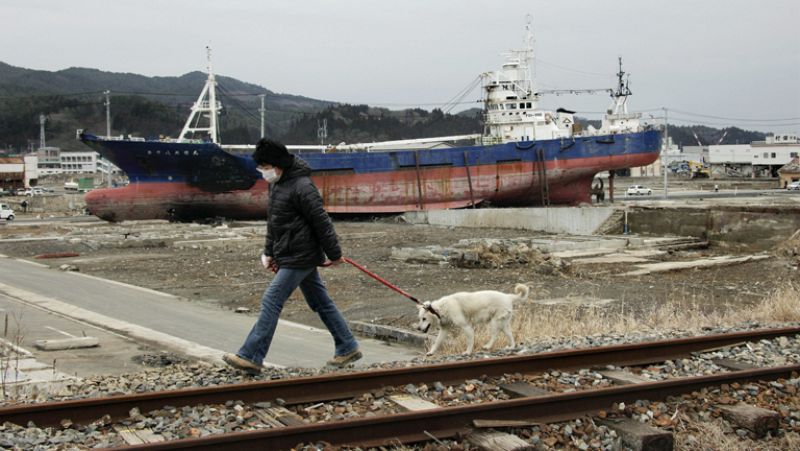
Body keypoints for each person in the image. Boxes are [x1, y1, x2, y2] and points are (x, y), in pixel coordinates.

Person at [223, 139, 361, 372]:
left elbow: (321, 222)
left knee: (271, 300)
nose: (263, 171)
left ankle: (251, 355)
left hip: (301, 255)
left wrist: (335, 254)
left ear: (278, 164)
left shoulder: (302, 187)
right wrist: (268, 252)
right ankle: (347, 346)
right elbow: (275, 222)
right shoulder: (277, 184)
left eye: (265, 166)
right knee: (320, 302)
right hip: (289, 254)